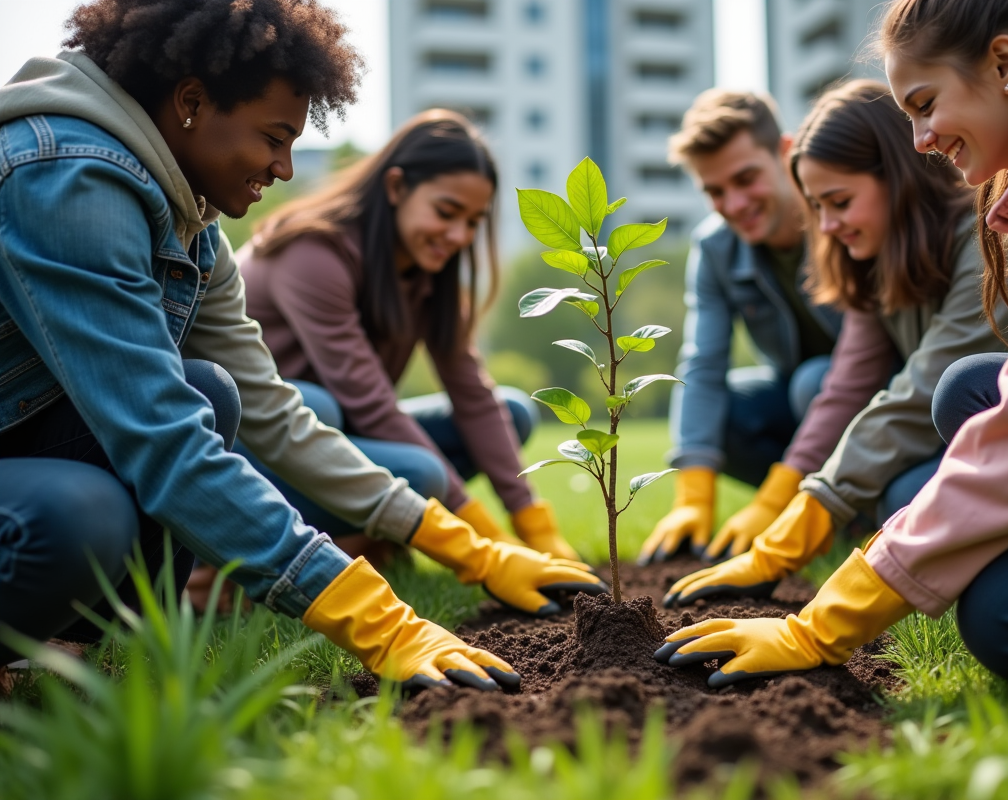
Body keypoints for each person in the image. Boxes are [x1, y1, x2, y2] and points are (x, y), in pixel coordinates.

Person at [0, 0, 602, 693]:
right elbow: (160, 438)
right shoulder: (66, 179)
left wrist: (471, 550)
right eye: (274, 137)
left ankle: (81, 658)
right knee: (79, 516)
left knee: (214, 392)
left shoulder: (191, 228)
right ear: (191, 101)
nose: (285, 168)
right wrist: (371, 615)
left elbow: (275, 415)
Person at [657, 0, 1008, 687]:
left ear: (1005, 64)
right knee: (972, 390)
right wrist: (800, 513)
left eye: (924, 103)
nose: (918, 138)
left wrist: (824, 622)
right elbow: (895, 390)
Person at [662, 79, 1008, 606]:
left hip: (1001, 421)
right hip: (923, 414)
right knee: (886, 478)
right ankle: (856, 507)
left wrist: (793, 524)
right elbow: (844, 378)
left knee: (900, 485)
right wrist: (726, 495)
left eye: (838, 202)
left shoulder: (981, 234)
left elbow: (920, 387)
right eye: (818, 207)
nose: (825, 227)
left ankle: (855, 506)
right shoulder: (870, 249)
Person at [232, 109, 578, 563]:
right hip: (259, 444)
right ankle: (344, 539)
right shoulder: (312, 251)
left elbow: (473, 395)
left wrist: (533, 521)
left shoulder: (429, 273)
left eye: (474, 222)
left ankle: (370, 535)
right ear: (396, 187)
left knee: (511, 412)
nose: (458, 235)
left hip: (343, 435)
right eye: (446, 212)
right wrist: (483, 538)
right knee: (400, 457)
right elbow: (370, 406)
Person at [638, 90, 842, 565]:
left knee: (815, 380)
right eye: (714, 191)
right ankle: (822, 504)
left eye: (746, 178)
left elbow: (862, 370)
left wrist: (774, 500)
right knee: (717, 415)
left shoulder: (842, 214)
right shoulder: (714, 248)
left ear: (785, 151)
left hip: (869, 403)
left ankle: (833, 505)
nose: (734, 203)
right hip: (800, 404)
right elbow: (702, 365)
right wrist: (693, 495)